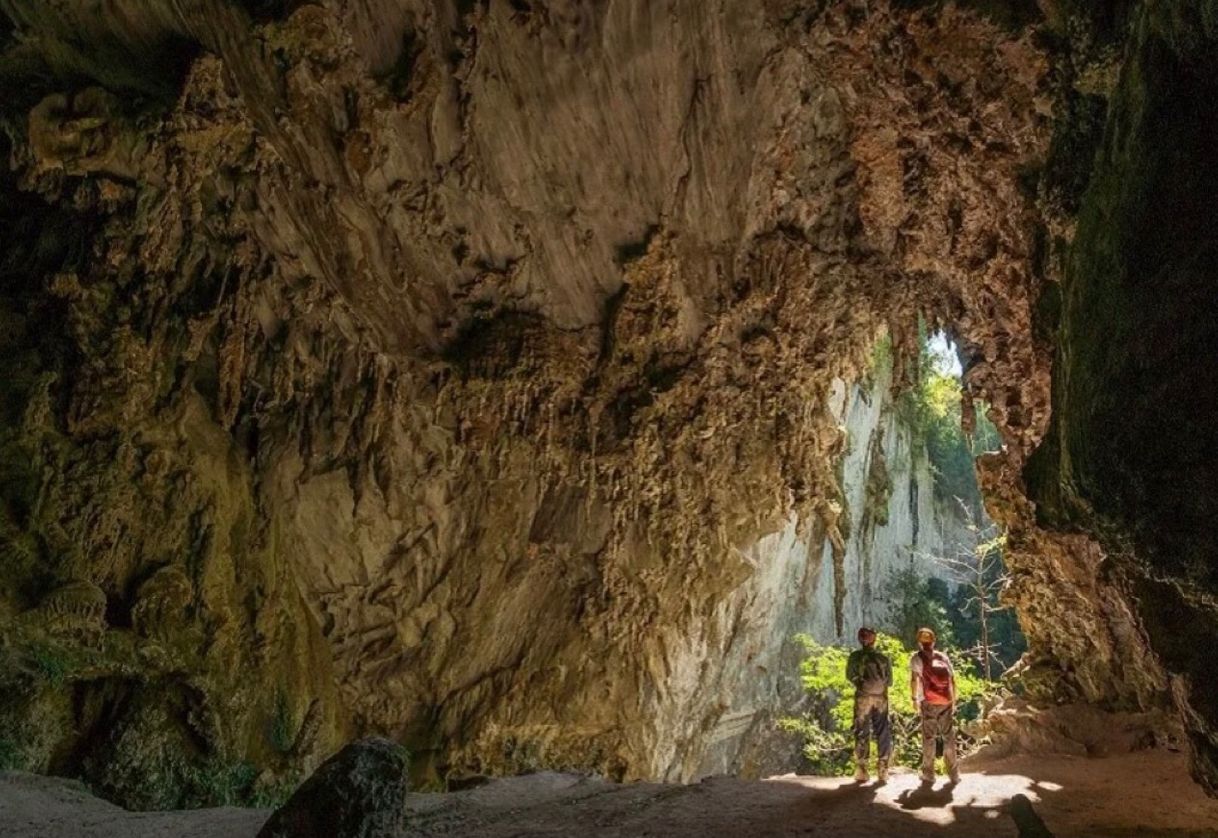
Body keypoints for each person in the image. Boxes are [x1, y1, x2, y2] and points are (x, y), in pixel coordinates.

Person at [909, 627, 959, 784]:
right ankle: (954, 774)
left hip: (928, 702)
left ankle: (929, 774)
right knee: (948, 736)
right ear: (934, 641)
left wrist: (914, 699)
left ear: (919, 642)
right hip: (946, 701)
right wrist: (953, 700)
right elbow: (952, 680)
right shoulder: (942, 657)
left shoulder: (916, 658)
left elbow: (914, 680)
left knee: (929, 738)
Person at [845, 626, 892, 783]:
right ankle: (883, 770)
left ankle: (862, 769)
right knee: (883, 731)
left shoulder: (855, 656)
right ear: (874, 640)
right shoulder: (883, 658)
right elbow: (889, 682)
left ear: (860, 640)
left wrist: (862, 684)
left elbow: (849, 676)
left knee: (861, 731)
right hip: (881, 699)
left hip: (863, 698)